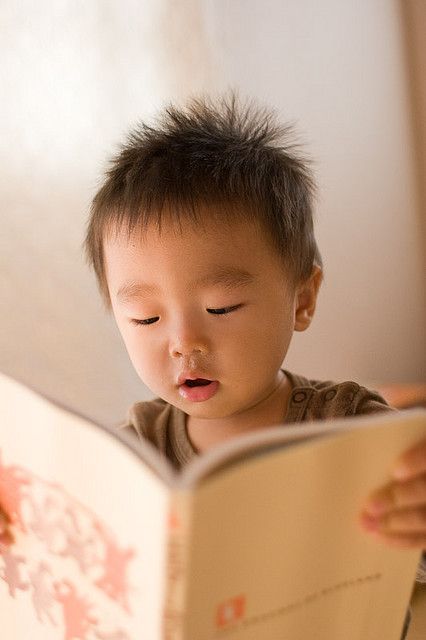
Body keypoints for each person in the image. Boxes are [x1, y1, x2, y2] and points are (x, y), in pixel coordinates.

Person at [1, 94, 425, 636]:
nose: (183, 342)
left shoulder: (352, 424)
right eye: (146, 318)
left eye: (221, 307)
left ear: (302, 298)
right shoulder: (135, 452)